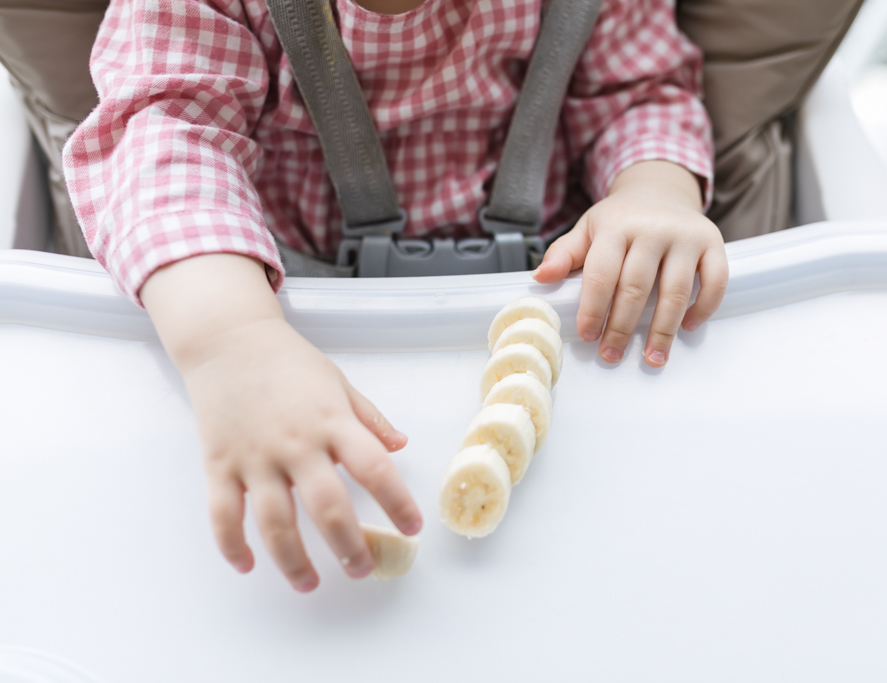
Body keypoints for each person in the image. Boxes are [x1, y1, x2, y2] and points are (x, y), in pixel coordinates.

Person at [63, 0, 728, 591]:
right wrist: (230, 340)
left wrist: (654, 192)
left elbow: (639, 95)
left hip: (546, 292)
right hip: (290, 306)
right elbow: (166, 138)